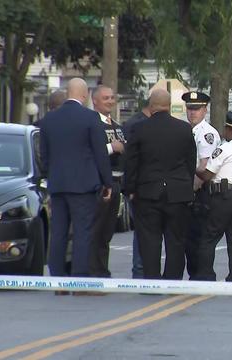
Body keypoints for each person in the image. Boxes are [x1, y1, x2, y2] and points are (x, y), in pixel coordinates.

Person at [38, 78, 113, 290]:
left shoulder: (49, 119)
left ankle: (58, 278)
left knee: (59, 232)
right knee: (82, 231)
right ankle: (79, 278)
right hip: (84, 186)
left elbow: (44, 155)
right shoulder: (90, 118)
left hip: (58, 184)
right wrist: (107, 182)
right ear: (84, 95)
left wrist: (50, 176)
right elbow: (100, 153)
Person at [124, 89, 196, 280]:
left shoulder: (140, 129)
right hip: (178, 193)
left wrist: (129, 189)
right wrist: (186, 186)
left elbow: (131, 162)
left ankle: (152, 281)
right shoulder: (184, 129)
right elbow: (190, 162)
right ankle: (172, 280)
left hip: (148, 193)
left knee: (149, 241)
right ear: (169, 106)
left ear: (151, 105)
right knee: (176, 241)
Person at [194, 112, 232, 282]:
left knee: (209, 237)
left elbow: (206, 175)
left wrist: (192, 168)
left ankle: (206, 275)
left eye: (226, 128)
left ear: (231, 130)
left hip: (223, 197)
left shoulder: (224, 149)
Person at [181, 91, 220, 280]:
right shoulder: (189, 130)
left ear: (205, 110)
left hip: (200, 192)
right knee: (190, 238)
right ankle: (195, 275)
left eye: (196, 109)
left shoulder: (206, 134)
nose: (192, 112)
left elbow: (204, 167)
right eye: (189, 108)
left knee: (198, 238)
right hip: (191, 191)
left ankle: (202, 277)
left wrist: (191, 192)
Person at [89, 85, 125, 278]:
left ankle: (102, 271)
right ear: (94, 100)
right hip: (101, 184)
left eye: (112, 97)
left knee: (107, 232)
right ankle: (94, 272)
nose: (110, 101)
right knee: (96, 231)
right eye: (105, 98)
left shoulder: (117, 126)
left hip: (116, 183)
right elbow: (89, 152)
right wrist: (112, 147)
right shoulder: (92, 124)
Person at [122, 98, 152, 279]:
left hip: (139, 186)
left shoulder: (133, 123)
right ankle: (141, 271)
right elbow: (130, 159)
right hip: (140, 187)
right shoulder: (137, 125)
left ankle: (142, 271)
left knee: (143, 232)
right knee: (143, 232)